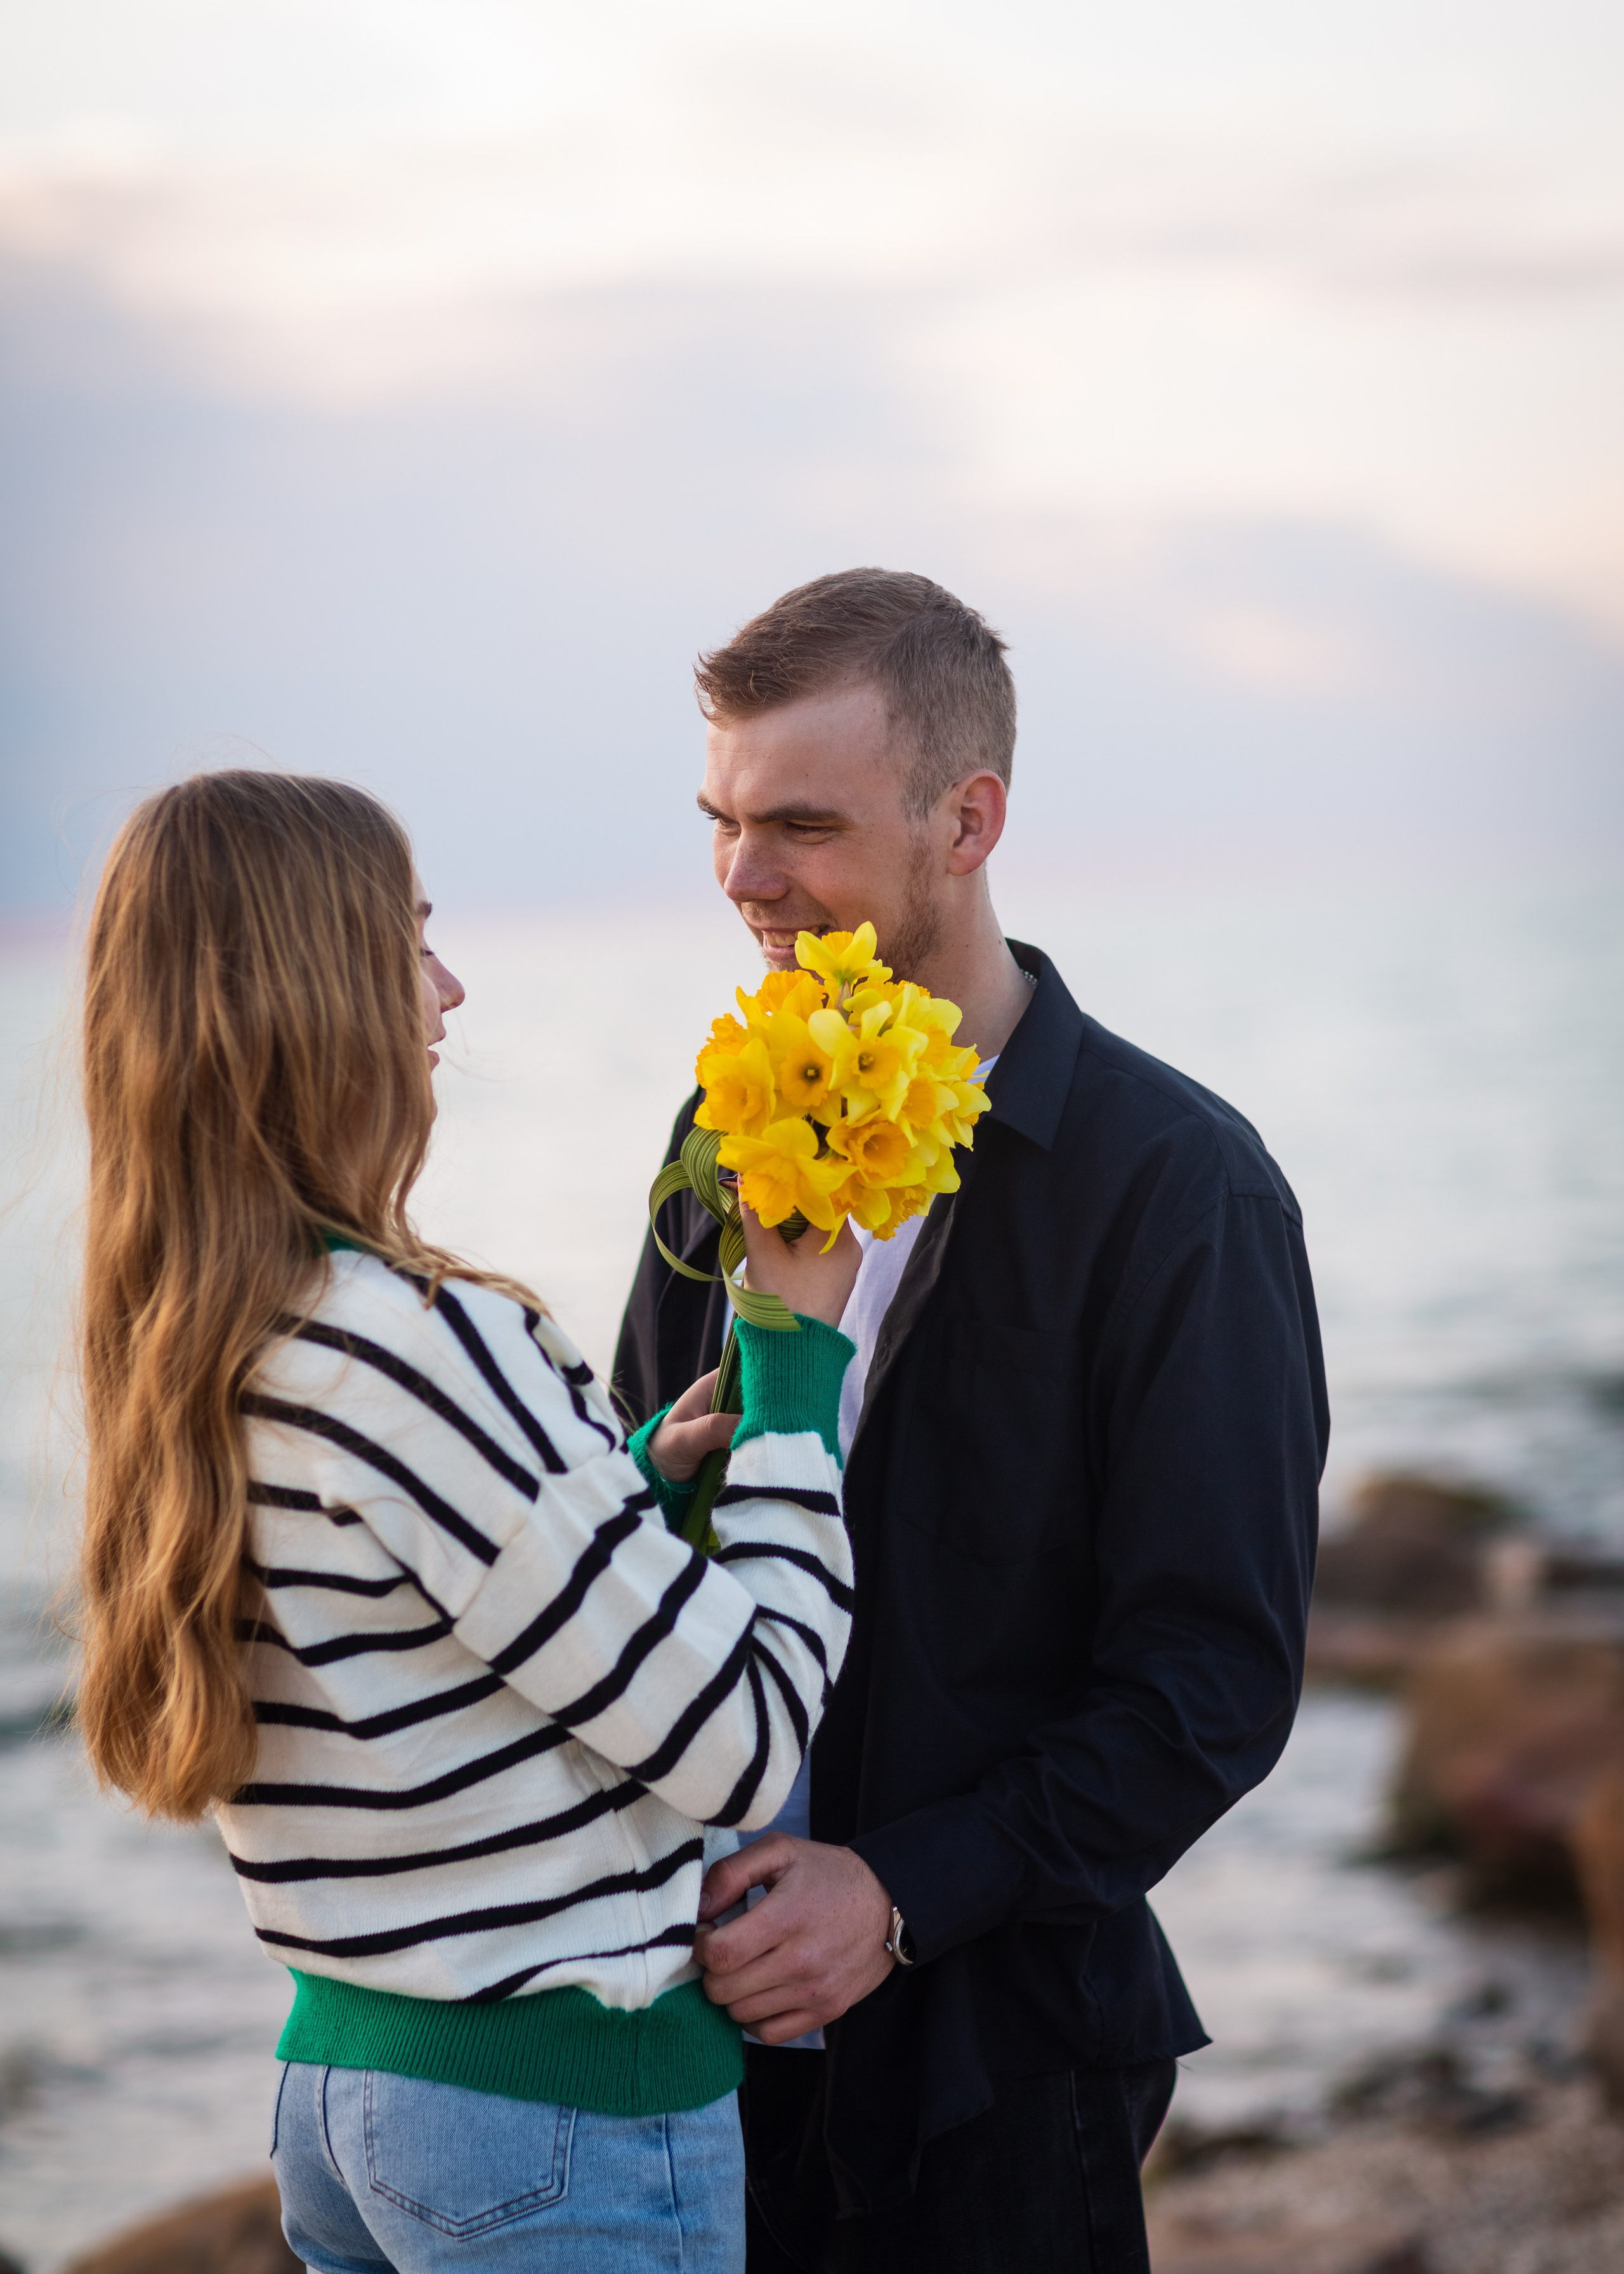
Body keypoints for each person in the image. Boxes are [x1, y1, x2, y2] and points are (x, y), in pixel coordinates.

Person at [615, 570, 1330, 2273]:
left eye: (801, 824)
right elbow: (622, 1541)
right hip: (683, 2060)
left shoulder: (1182, 1189)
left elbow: (1214, 1682)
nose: (742, 876)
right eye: (720, 821)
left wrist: (904, 1893)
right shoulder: (716, 1130)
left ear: (968, 819)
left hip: (998, 2074)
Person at [74, 768, 865, 2274]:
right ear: (314, 997)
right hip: (555, 2119)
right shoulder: (412, 1339)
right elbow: (746, 1735)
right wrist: (793, 1373)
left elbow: (389, 1638)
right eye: (408, 942)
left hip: (351, 2088)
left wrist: (620, 1488)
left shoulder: (201, 1324)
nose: (446, 990)